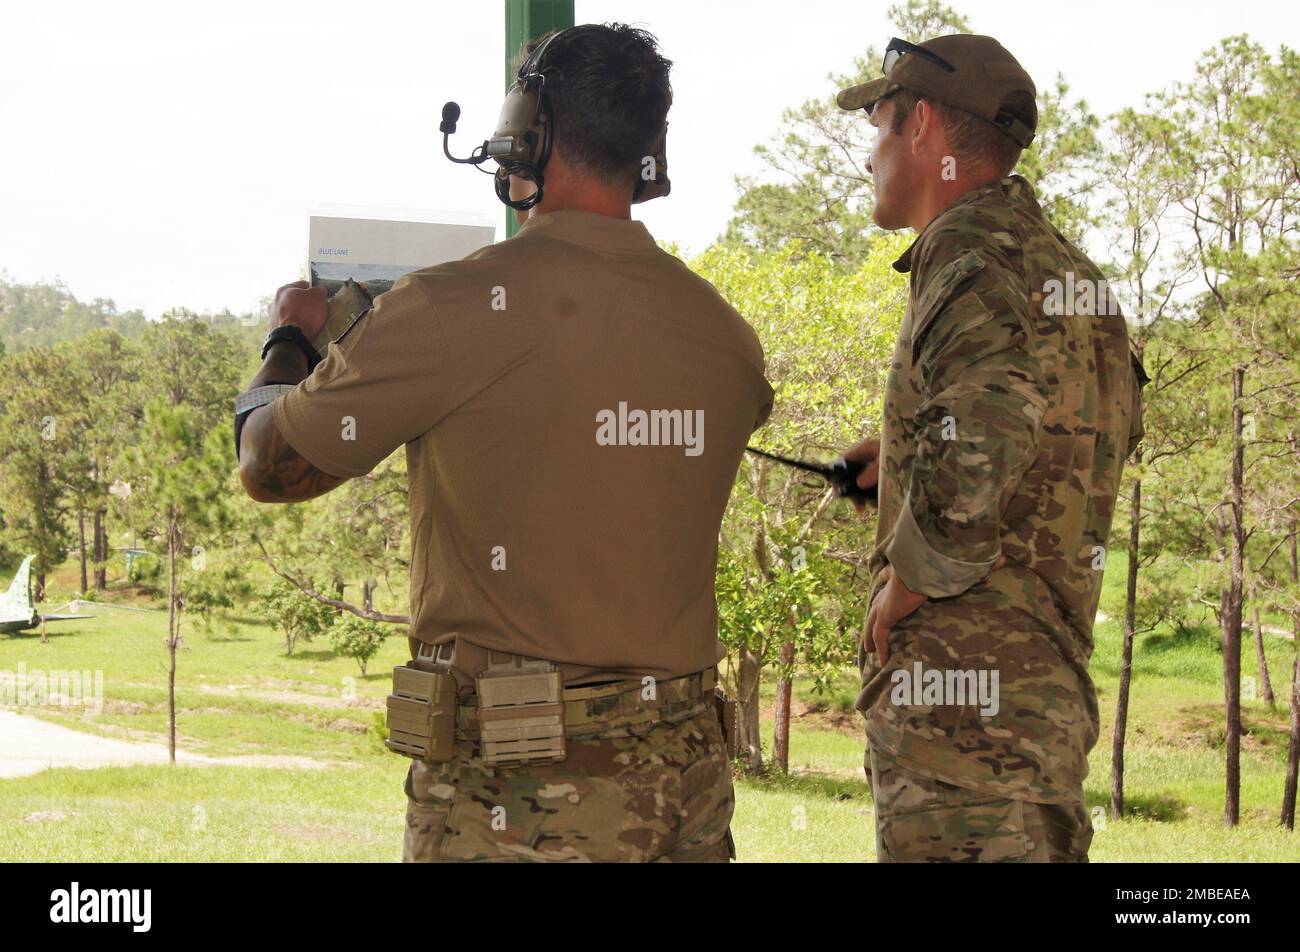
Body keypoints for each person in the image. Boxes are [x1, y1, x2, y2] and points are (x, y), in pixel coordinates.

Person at [235, 22, 773, 862]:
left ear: (529, 131)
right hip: (685, 785)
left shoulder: (450, 308)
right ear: (647, 146)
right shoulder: (728, 338)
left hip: (518, 796)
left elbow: (270, 466)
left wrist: (292, 342)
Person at [836, 34, 1147, 862]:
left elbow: (983, 448)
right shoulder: (1069, 275)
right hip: (1036, 703)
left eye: (879, 128)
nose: (870, 157)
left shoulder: (966, 259)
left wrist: (907, 578)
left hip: (961, 728)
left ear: (924, 126)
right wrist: (902, 458)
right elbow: (1066, 446)